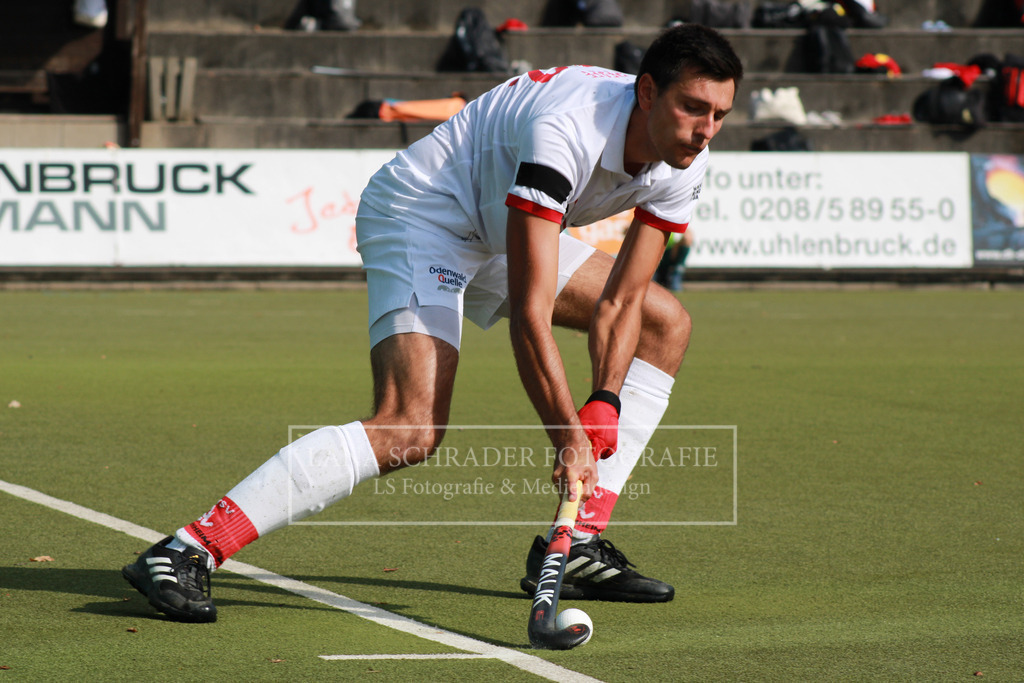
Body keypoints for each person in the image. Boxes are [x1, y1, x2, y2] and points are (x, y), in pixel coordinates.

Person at [121, 23, 743, 622]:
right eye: (693, 108)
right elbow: (531, 316)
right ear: (647, 93)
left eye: (719, 115)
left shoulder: (685, 158)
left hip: (503, 231)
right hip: (425, 213)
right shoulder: (569, 127)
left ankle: (577, 543)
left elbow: (623, 302)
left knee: (664, 324)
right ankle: (186, 550)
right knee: (411, 427)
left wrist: (604, 399)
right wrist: (568, 436)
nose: (705, 130)